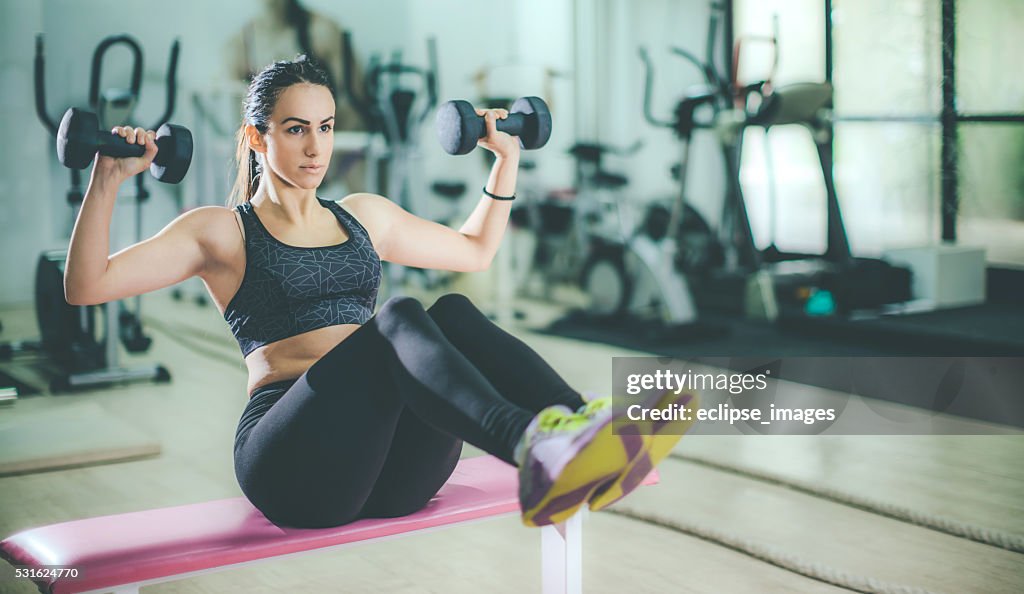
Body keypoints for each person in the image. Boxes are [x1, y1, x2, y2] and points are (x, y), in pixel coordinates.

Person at [63, 55, 695, 530]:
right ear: (257, 138)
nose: (316, 147)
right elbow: (88, 286)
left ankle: (581, 427)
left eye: (327, 127)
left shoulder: (364, 214)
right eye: (295, 129)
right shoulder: (221, 231)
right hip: (292, 462)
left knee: (447, 310)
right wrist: (109, 178)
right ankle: (532, 448)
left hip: (391, 469)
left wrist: (506, 162)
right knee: (398, 317)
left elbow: (475, 250)